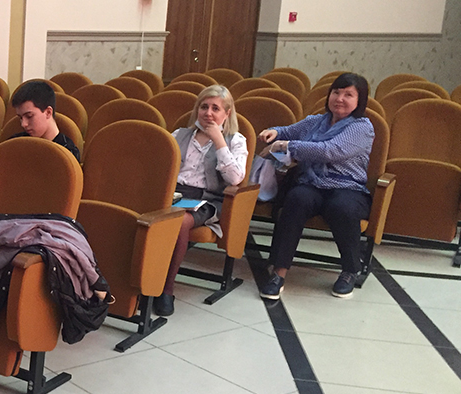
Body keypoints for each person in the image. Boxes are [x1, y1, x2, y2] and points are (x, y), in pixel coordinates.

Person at [258, 72, 374, 300]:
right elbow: (287, 131)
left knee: (342, 207)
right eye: (336, 92)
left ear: (359, 100)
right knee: (296, 198)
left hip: (347, 186)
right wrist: (274, 131)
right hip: (312, 183)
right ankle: (279, 272)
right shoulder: (315, 121)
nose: (340, 99)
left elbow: (330, 151)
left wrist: (288, 146)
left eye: (348, 94)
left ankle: (350, 270)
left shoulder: (362, 127)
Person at [156, 85, 248, 316]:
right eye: (204, 107)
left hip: (206, 199)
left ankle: (166, 289)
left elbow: (235, 178)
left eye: (215, 108)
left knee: (180, 222)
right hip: (174, 193)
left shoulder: (235, 140)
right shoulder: (180, 134)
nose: (208, 113)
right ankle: (143, 280)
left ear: (227, 113)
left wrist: (219, 141)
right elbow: (161, 166)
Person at [9, 79, 81, 161]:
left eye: (29, 116)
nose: (23, 124)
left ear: (48, 112)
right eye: (20, 118)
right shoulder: (16, 144)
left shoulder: (66, 154)